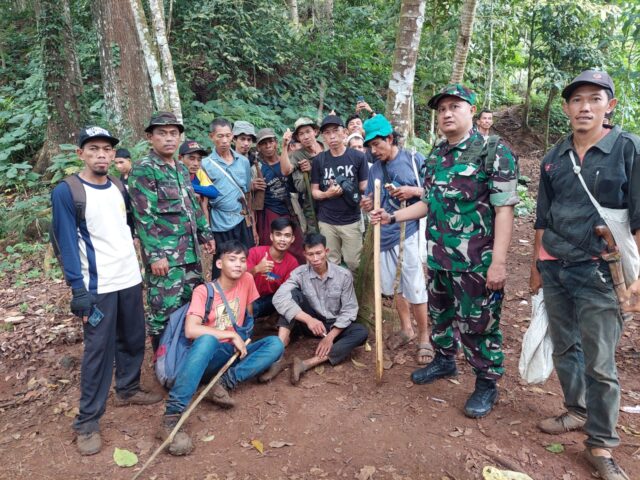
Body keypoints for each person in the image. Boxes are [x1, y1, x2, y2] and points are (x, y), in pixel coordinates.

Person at [370, 84, 518, 419]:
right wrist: (391, 215)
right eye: (441, 109)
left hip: (476, 263)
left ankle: (486, 381)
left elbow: (504, 210)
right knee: (442, 317)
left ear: (471, 110)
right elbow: (426, 202)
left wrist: (499, 262)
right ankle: (444, 360)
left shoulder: (493, 151)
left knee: (479, 323)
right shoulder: (436, 155)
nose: (447, 114)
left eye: (454, 106)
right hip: (438, 258)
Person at [530, 70, 637, 480]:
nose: (585, 107)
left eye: (594, 99)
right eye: (576, 100)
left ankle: (602, 444)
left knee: (601, 362)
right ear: (566, 108)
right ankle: (575, 408)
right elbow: (543, 214)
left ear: (609, 105)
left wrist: (637, 274)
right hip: (556, 265)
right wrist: (537, 266)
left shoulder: (628, 149)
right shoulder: (554, 158)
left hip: (601, 272)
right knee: (564, 347)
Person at [51, 126, 162, 456]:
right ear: (81, 154)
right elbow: (65, 243)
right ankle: (87, 421)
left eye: (107, 149)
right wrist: (77, 289)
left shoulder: (117, 185)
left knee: (132, 336)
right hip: (97, 286)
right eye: (94, 149)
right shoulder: (67, 191)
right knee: (98, 350)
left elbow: (126, 226)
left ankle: (127, 388)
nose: (101, 154)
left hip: (128, 277)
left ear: (114, 155)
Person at [157, 240, 284, 456]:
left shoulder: (247, 280)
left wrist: (241, 337)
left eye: (243, 260)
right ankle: (171, 416)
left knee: (275, 344)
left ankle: (222, 384)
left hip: (232, 355)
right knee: (207, 340)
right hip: (205, 357)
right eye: (232, 259)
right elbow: (191, 330)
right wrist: (229, 334)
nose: (239, 265)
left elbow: (249, 315)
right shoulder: (203, 291)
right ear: (219, 263)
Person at [129, 112, 216, 348]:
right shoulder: (144, 169)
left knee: (193, 306)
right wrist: (156, 256)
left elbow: (192, 206)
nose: (169, 139)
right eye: (162, 133)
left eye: (173, 133)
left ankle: (184, 356)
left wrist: (205, 233)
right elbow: (143, 217)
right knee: (163, 311)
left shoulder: (179, 167)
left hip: (190, 254)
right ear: (150, 137)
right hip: (166, 259)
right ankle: (162, 360)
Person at [360, 115, 431, 365]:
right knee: (395, 287)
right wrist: (368, 204)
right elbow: (371, 201)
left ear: (390, 139)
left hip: (409, 232)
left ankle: (424, 337)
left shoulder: (413, 160)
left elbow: (433, 193)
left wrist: (414, 191)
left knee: (415, 286)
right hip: (385, 236)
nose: (373, 150)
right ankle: (406, 328)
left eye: (377, 144)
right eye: (370, 146)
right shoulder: (375, 168)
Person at [271, 233, 368, 385]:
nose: (315, 259)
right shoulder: (299, 273)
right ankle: (275, 358)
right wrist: (309, 319)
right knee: (290, 296)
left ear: (326, 252)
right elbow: (278, 297)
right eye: (310, 254)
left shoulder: (343, 275)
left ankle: (307, 364)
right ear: (304, 254)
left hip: (333, 326)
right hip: (309, 323)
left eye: (319, 253)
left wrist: (330, 337)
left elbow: (349, 309)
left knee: (361, 332)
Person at [310, 114, 369, 273]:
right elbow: (314, 191)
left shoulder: (358, 157)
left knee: (354, 262)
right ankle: (336, 295)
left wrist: (354, 190)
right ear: (323, 137)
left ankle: (355, 292)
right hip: (327, 220)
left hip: (351, 219)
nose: (332, 136)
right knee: (331, 262)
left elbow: (365, 186)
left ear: (344, 132)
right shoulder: (319, 160)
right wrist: (327, 194)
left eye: (336, 131)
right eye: (327, 133)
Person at [202, 118, 256, 277]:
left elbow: (247, 194)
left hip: (242, 220)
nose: (224, 141)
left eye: (227, 136)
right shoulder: (205, 164)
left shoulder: (243, 162)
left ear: (232, 136)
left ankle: (246, 299)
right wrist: (207, 232)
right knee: (222, 265)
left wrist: (252, 224)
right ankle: (221, 299)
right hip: (220, 223)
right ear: (211, 136)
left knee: (245, 261)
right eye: (220, 136)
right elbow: (203, 203)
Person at [252, 127, 305, 262]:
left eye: (271, 141)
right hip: (269, 211)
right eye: (264, 143)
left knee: (296, 247)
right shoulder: (256, 168)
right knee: (271, 247)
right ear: (259, 147)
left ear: (276, 142)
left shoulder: (287, 159)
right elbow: (250, 195)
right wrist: (252, 186)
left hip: (290, 209)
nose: (268, 146)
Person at [247, 217, 299, 319]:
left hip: (272, 301)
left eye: (287, 236)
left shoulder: (293, 262)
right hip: (248, 298)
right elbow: (239, 279)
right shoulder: (255, 252)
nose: (282, 239)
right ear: (271, 236)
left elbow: (287, 292)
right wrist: (257, 269)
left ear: (292, 239)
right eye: (278, 234)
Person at [280, 117, 325, 233]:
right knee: (315, 238)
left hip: (332, 200)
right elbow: (286, 171)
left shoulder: (327, 146)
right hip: (312, 204)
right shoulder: (297, 155)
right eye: (301, 134)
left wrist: (312, 169)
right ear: (298, 138)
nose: (305, 137)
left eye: (308, 131)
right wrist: (284, 146)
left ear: (315, 132)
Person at [178, 139, 219, 219]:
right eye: (191, 158)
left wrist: (187, 186)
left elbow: (214, 192)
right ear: (180, 158)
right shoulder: (173, 173)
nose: (196, 164)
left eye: (199, 159)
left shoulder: (199, 173)